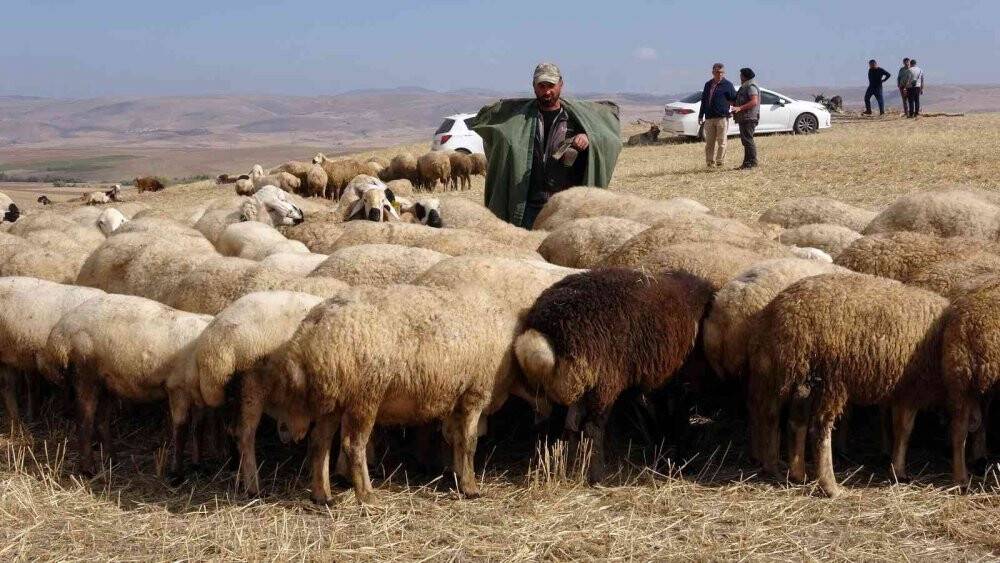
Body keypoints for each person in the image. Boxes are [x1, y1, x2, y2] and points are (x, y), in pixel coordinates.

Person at [471, 63, 622, 228]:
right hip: (528, 205)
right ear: (534, 86)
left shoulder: (576, 120)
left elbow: (610, 139)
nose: (547, 91)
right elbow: (494, 133)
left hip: (564, 207)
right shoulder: (519, 121)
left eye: (551, 86)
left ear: (561, 85)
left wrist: (589, 138)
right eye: (541, 86)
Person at [698, 63, 737, 168]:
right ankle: (710, 162)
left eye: (721, 72)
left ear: (724, 73)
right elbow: (704, 101)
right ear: (713, 72)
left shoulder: (728, 85)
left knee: (722, 141)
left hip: (722, 118)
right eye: (717, 72)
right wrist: (700, 115)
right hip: (709, 118)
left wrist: (733, 111)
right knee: (709, 143)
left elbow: (734, 99)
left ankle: (720, 162)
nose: (719, 74)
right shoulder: (708, 84)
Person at [731, 67, 761, 170]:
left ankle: (752, 162)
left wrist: (740, 108)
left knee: (748, 140)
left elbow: (754, 101)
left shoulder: (751, 86)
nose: (740, 77)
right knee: (746, 141)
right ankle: (747, 163)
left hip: (749, 117)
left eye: (741, 75)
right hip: (744, 117)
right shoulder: (744, 86)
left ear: (745, 76)